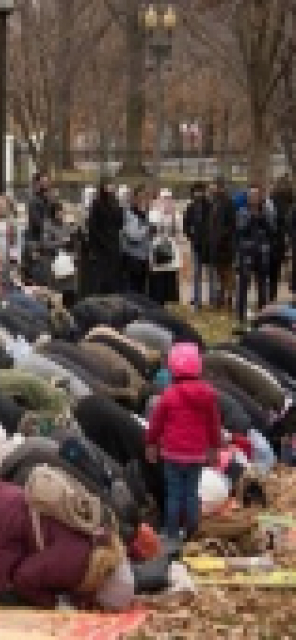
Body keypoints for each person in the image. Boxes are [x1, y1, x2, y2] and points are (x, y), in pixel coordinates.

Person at [146, 343, 222, 540]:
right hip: (197, 454)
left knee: (174, 493)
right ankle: (192, 532)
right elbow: (214, 425)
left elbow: (156, 423)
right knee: (191, 493)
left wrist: (151, 444)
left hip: (172, 453)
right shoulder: (208, 395)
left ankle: (171, 533)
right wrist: (214, 449)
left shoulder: (169, 395)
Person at [235, 185, 274, 325]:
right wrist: (251, 218)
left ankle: (263, 316)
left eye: (257, 195)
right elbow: (239, 231)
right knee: (243, 285)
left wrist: (262, 219)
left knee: (262, 286)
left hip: (262, 252)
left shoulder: (267, 211)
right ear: (248, 197)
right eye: (251, 196)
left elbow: (272, 231)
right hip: (246, 253)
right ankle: (240, 315)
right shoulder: (242, 211)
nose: (254, 198)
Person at [87, 180, 124, 294]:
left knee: (113, 276)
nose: (110, 187)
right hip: (101, 246)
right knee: (101, 277)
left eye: (112, 185)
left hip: (114, 244)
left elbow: (120, 223)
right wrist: (102, 242)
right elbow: (93, 226)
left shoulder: (116, 202)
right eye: (108, 185)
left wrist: (119, 208)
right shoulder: (97, 203)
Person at [206, 176, 237, 310]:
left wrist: (222, 237)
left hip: (225, 245)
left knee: (227, 273)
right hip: (215, 245)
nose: (212, 188)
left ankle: (229, 299)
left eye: (215, 186)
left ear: (221, 187)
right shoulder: (214, 202)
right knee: (219, 274)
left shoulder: (228, 203)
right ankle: (221, 298)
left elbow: (231, 225)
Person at [148, 188, 181, 306]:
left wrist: (172, 216)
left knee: (170, 276)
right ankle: (157, 301)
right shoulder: (153, 213)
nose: (166, 201)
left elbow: (177, 231)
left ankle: (168, 300)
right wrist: (162, 215)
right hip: (157, 248)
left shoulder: (176, 214)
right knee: (158, 277)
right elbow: (153, 229)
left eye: (168, 198)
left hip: (170, 249)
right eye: (164, 198)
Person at [183, 182, 211, 309]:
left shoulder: (210, 206)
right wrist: (191, 236)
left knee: (211, 272)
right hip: (196, 244)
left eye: (200, 191)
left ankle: (212, 298)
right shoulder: (190, 207)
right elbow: (186, 225)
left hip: (209, 244)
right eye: (196, 191)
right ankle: (197, 298)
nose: (198, 194)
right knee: (197, 273)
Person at [119, 185, 151, 295]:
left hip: (143, 258)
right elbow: (133, 236)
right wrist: (148, 229)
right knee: (131, 293)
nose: (145, 201)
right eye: (142, 198)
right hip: (132, 259)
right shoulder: (128, 214)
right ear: (136, 199)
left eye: (146, 198)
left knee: (142, 292)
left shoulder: (144, 215)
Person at [27, 173, 51, 244]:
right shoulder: (34, 200)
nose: (46, 185)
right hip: (36, 240)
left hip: (44, 237)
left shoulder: (44, 199)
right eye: (44, 182)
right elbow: (38, 221)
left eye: (47, 182)